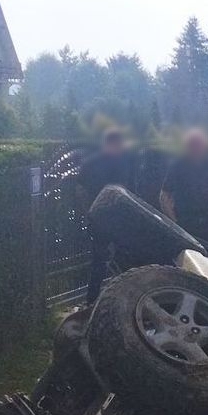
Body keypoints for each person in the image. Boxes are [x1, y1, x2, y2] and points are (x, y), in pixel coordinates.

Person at [77, 128, 136, 303]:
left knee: (100, 261)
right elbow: (130, 191)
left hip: (102, 218)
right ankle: (118, 298)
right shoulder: (123, 162)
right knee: (111, 260)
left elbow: (80, 190)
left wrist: (87, 211)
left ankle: (93, 300)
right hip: (112, 218)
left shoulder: (92, 163)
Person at [160, 129, 208, 245]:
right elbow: (164, 195)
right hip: (185, 223)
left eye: (199, 144)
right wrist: (173, 221)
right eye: (193, 144)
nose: (196, 148)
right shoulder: (177, 166)